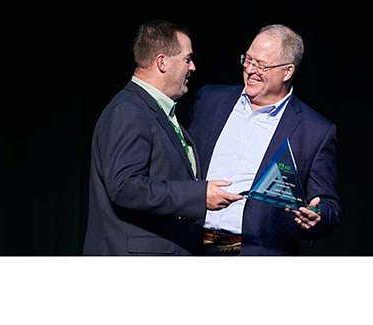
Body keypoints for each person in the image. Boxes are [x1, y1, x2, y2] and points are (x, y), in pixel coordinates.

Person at [83, 20, 243, 256]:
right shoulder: (129, 111)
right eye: (187, 59)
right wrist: (199, 195)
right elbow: (125, 187)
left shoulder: (157, 110)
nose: (193, 67)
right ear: (162, 62)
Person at [188, 24, 341, 255]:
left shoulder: (315, 131)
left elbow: (328, 205)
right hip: (189, 246)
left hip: (254, 252)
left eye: (262, 65)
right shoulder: (210, 99)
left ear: (288, 72)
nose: (250, 69)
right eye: (248, 59)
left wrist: (317, 217)